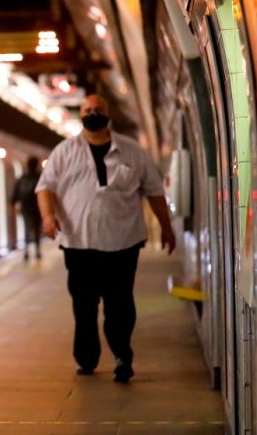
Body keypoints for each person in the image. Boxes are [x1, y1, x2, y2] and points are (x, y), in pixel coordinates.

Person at [36, 94, 176, 384]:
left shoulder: (132, 151)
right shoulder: (65, 151)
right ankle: (86, 360)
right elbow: (45, 187)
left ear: (108, 113)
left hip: (123, 243)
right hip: (78, 244)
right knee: (84, 307)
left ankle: (123, 356)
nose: (93, 113)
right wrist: (48, 217)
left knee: (120, 306)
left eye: (98, 109)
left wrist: (166, 226)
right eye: (87, 109)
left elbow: (153, 191)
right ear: (80, 114)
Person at [12, 156, 43, 261]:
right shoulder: (40, 177)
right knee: (37, 229)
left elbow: (15, 194)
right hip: (38, 207)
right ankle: (38, 251)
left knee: (26, 229)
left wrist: (14, 205)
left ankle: (26, 251)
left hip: (25, 208)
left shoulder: (22, 178)